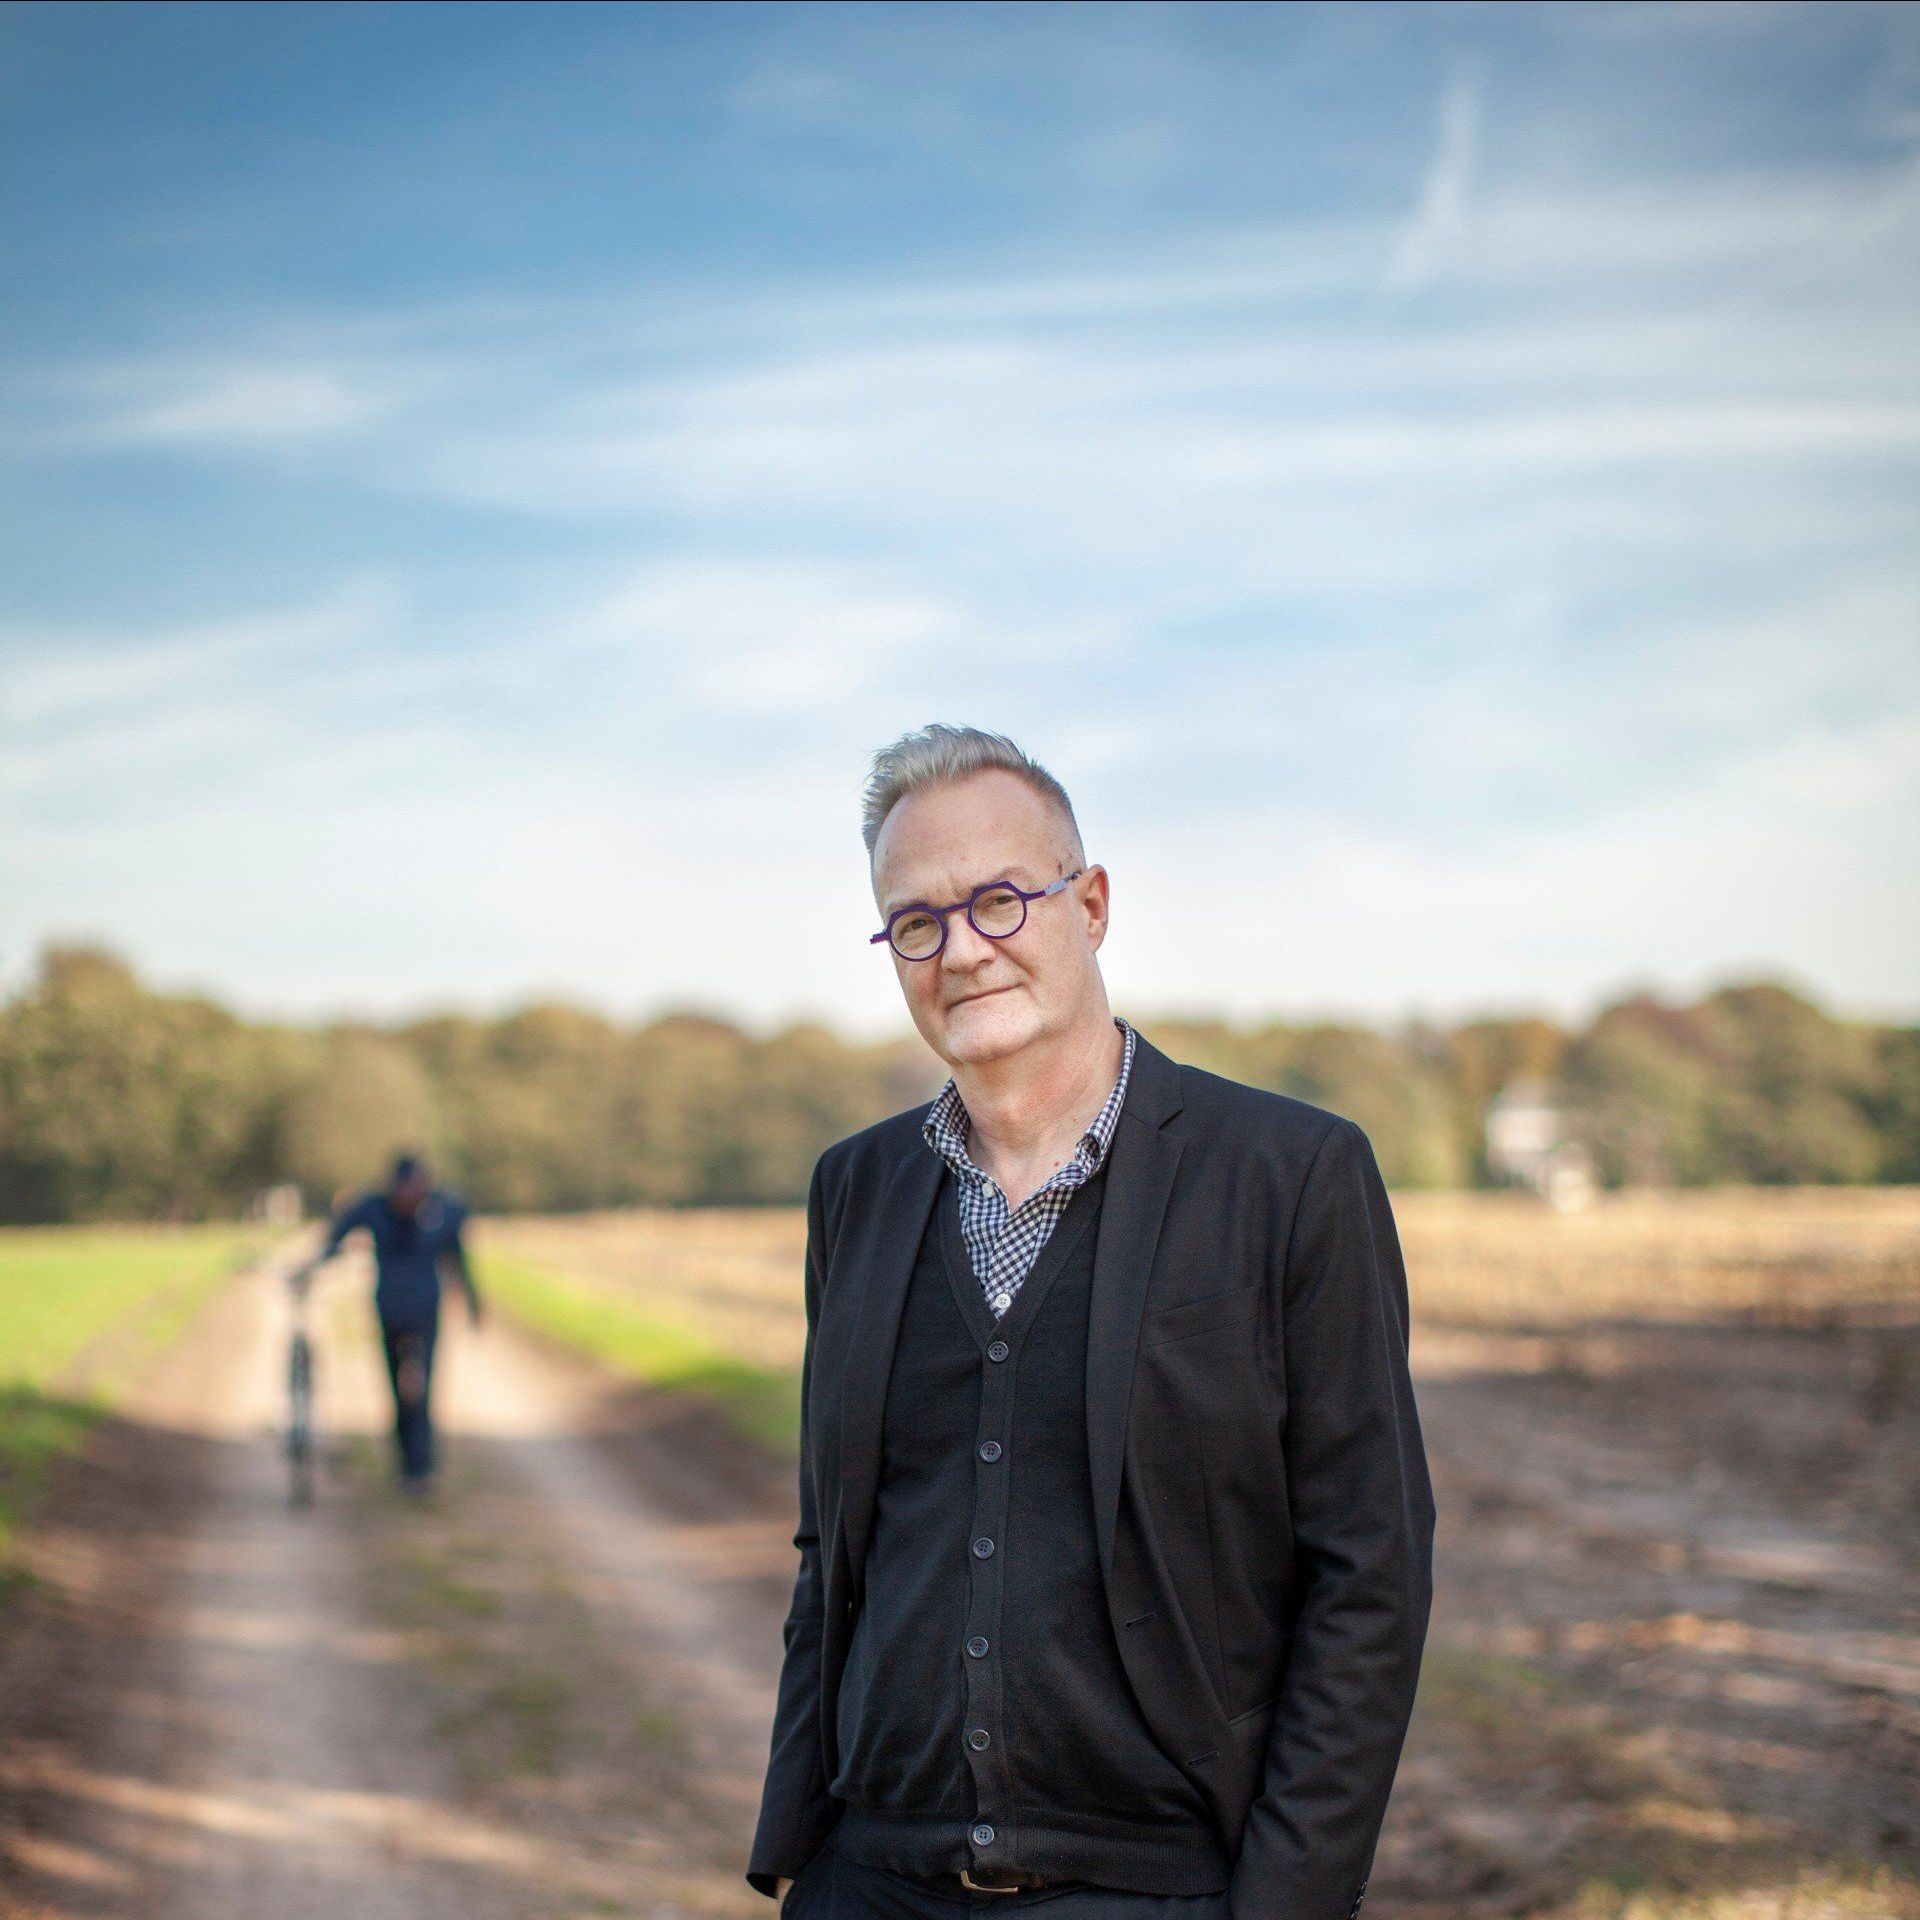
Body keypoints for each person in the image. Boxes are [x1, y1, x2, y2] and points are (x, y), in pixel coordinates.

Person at [748, 725, 1435, 1919]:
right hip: (874, 1878)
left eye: (1002, 901)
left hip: (1158, 1890)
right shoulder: (851, 1193)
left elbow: (1368, 1573)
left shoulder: (1291, 1175)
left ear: (1093, 903)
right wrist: (805, 1851)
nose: (962, 951)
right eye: (918, 922)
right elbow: (833, 1551)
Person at [294, 1152, 482, 1495]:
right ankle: (404, 1465)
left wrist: (472, 1302)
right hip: (389, 1308)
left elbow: (458, 1258)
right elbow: (335, 1239)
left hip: (425, 1311)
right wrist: (314, 1266)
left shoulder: (444, 1211)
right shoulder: (373, 1207)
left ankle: (421, 1468)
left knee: (422, 1388)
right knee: (396, 1387)